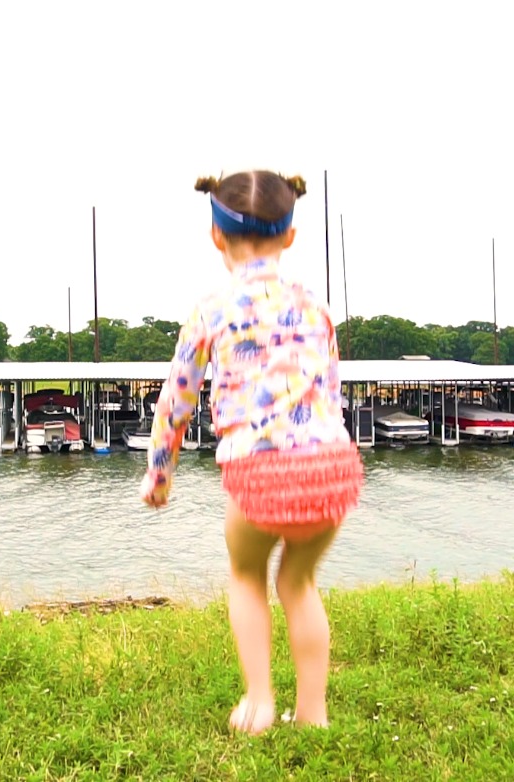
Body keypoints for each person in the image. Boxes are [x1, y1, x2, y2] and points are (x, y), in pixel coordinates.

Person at [140, 170, 363, 735]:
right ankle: (312, 713)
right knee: (299, 583)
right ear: (290, 235)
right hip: (331, 466)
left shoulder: (212, 308)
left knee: (247, 575)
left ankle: (260, 703)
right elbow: (332, 391)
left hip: (260, 470)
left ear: (216, 235)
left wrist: (159, 474)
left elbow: (177, 399)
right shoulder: (316, 306)